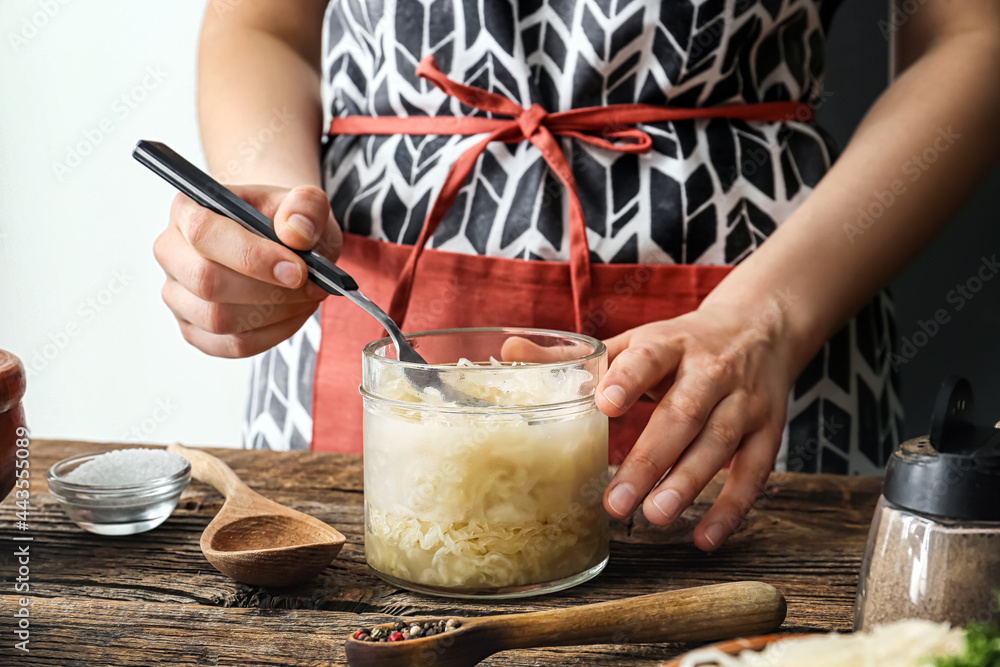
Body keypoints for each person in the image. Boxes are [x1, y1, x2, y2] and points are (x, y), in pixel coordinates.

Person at [154, 0, 1000, 551]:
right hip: (365, 296)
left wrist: (770, 316)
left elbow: (970, 35)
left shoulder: (767, 322)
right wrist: (270, 206)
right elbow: (262, 23)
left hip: (769, 314)